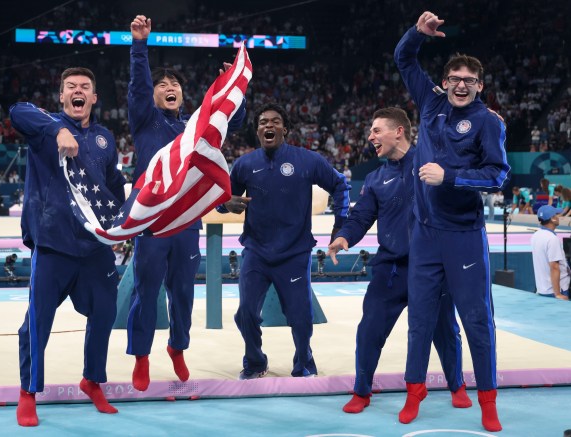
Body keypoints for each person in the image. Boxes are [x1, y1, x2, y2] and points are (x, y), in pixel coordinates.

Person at [394, 11, 510, 432]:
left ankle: (488, 401)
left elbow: (498, 174)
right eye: (455, 77)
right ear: (444, 82)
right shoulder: (430, 102)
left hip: (463, 235)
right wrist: (416, 35)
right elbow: (404, 60)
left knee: (477, 320)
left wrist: (451, 177)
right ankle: (414, 392)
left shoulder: (488, 121)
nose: (461, 84)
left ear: (480, 86)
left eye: (470, 80)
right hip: (425, 234)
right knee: (420, 320)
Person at [126, 15, 247, 391]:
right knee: (145, 293)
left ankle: (178, 347)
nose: (168, 87)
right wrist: (140, 46)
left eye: (174, 83)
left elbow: (231, 121)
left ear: (182, 93)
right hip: (151, 222)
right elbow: (138, 85)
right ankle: (142, 356)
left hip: (185, 224)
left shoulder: (194, 129)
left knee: (183, 293)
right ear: (154, 95)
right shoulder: (144, 120)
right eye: (162, 84)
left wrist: (232, 86)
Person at [327, 108, 471, 414]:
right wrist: (344, 237)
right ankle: (362, 391)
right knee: (369, 330)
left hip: (433, 268)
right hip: (390, 269)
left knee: (444, 330)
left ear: (399, 132)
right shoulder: (377, 177)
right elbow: (361, 215)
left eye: (377, 130)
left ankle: (456, 384)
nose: (370, 137)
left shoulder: (432, 165)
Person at [10, 66, 126, 426]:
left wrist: (125, 225)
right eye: (70, 87)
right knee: (38, 322)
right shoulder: (42, 126)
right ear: (61, 96)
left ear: (93, 97)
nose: (78, 91)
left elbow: (114, 188)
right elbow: (17, 110)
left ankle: (92, 381)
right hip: (53, 244)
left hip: (95, 247)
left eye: (85, 87)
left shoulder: (106, 138)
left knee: (105, 314)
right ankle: (28, 392)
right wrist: (58, 128)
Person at [218, 102, 351, 379]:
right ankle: (255, 362)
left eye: (275, 121)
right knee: (245, 314)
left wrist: (339, 227)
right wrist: (226, 205)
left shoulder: (307, 160)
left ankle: (304, 362)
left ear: (285, 129)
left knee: (301, 317)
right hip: (256, 251)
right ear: (257, 131)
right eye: (263, 122)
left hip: (294, 253)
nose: (269, 125)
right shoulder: (244, 164)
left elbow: (340, 184)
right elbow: (223, 201)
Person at [530, 205, 570, 300]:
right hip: (556, 290)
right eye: (556, 215)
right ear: (553, 219)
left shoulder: (536, 235)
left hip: (542, 288)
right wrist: (557, 294)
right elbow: (554, 267)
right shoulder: (552, 239)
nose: (558, 216)